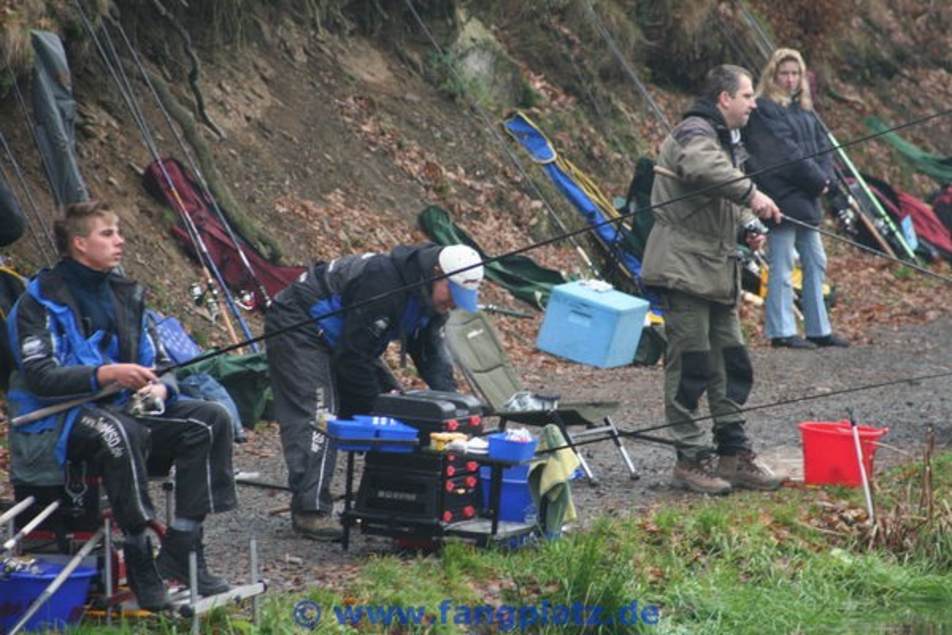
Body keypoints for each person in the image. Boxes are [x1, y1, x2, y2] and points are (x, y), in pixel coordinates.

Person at [6, 200, 237, 610]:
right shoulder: (38, 301)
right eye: (107, 233)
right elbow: (40, 376)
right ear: (79, 243)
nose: (120, 241)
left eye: (118, 233)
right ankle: (139, 554)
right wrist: (109, 374)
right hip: (53, 423)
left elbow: (161, 362)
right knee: (121, 432)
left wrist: (161, 388)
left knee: (210, 419)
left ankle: (183, 549)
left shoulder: (127, 294)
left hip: (116, 410)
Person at [265, 242, 484, 539]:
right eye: (453, 295)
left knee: (405, 411)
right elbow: (351, 360)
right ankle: (310, 510)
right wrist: (374, 413)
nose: (454, 304)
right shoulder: (385, 285)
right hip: (299, 324)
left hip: (348, 339)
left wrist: (456, 406)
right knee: (319, 415)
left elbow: (430, 354)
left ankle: (389, 501)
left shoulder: (429, 299)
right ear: (436, 274)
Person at [641, 64, 784, 495]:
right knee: (691, 365)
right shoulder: (694, 132)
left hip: (718, 268)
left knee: (732, 363)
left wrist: (747, 222)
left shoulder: (725, 140)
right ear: (724, 98)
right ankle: (689, 460)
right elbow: (703, 169)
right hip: (683, 266)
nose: (753, 104)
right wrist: (752, 195)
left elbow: (724, 196)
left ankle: (733, 454)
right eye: (746, 96)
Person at [744, 48, 848, 350]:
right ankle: (781, 330)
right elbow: (784, 153)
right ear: (773, 76)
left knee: (816, 262)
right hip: (782, 200)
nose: (790, 80)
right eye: (784, 73)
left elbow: (822, 148)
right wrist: (817, 180)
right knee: (783, 265)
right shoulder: (764, 109)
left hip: (808, 198)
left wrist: (825, 179)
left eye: (795, 74)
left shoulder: (805, 110)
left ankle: (818, 329)